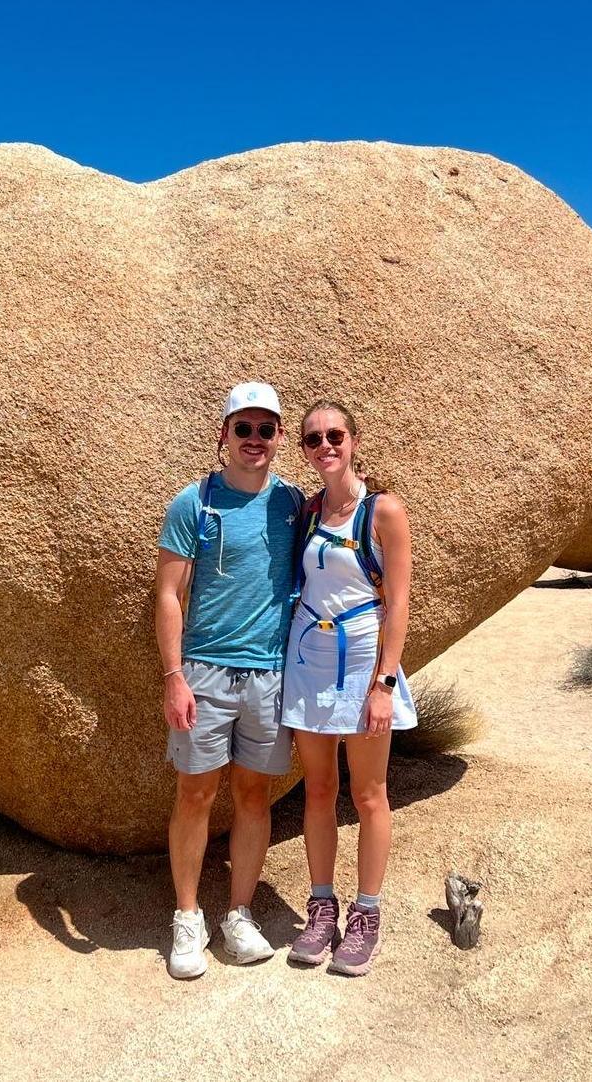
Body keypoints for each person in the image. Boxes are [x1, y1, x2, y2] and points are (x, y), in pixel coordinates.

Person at [155, 382, 303, 979]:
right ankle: (187, 918)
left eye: (265, 429)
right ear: (223, 436)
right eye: (243, 428)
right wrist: (173, 676)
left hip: (269, 675)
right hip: (206, 672)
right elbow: (168, 593)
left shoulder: (293, 504)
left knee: (253, 796)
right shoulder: (195, 502)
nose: (254, 440)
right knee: (195, 793)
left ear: (278, 439)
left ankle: (238, 913)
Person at [280, 399, 415, 976]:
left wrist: (384, 683)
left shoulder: (382, 510)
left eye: (335, 435)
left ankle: (366, 914)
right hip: (310, 658)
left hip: (362, 662)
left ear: (354, 441)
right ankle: (320, 908)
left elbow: (400, 601)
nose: (325, 446)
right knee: (316, 790)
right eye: (313, 439)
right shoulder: (310, 513)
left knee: (368, 794)